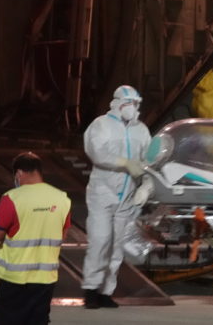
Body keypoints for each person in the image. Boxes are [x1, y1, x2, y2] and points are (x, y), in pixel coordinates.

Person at [81, 85, 154, 309]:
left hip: (127, 194)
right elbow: (97, 153)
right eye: (130, 103)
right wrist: (124, 163)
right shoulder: (101, 125)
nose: (134, 108)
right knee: (100, 241)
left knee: (117, 245)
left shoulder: (141, 130)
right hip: (103, 193)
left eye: (137, 104)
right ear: (119, 104)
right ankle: (91, 289)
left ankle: (106, 292)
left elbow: (150, 161)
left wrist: (146, 187)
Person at [0, 152, 71, 325]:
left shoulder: (12, 198)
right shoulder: (62, 199)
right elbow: (62, 236)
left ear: (19, 173)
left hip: (14, 278)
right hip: (45, 279)